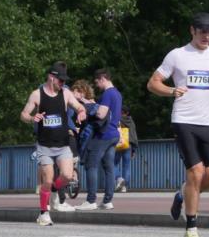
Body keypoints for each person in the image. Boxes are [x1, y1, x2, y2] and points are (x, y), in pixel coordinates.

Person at [146, 12, 209, 237]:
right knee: (196, 172)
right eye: (202, 31)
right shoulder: (177, 55)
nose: (206, 35)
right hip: (184, 120)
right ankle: (191, 228)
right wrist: (172, 91)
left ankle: (183, 193)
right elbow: (153, 83)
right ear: (192, 30)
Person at [20, 62, 87, 225]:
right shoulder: (37, 94)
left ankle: (55, 190)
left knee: (67, 176)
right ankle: (43, 213)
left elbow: (79, 106)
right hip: (44, 146)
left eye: (64, 81)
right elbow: (23, 114)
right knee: (47, 180)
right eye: (61, 80)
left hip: (63, 145)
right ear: (51, 77)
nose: (63, 83)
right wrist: (31, 118)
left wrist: (81, 112)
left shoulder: (66, 94)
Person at [76, 69, 122, 211]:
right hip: (114, 134)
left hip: (103, 135)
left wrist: (89, 107)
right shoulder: (117, 93)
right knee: (109, 168)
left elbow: (101, 114)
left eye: (97, 82)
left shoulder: (107, 93)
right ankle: (108, 201)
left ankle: (91, 201)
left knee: (91, 165)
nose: (96, 85)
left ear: (103, 79)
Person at [114, 106, 138, 193]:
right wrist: (134, 149)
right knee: (126, 166)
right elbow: (134, 135)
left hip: (119, 143)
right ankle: (124, 187)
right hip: (129, 145)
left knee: (114, 163)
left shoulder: (117, 120)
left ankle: (118, 178)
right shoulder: (131, 121)